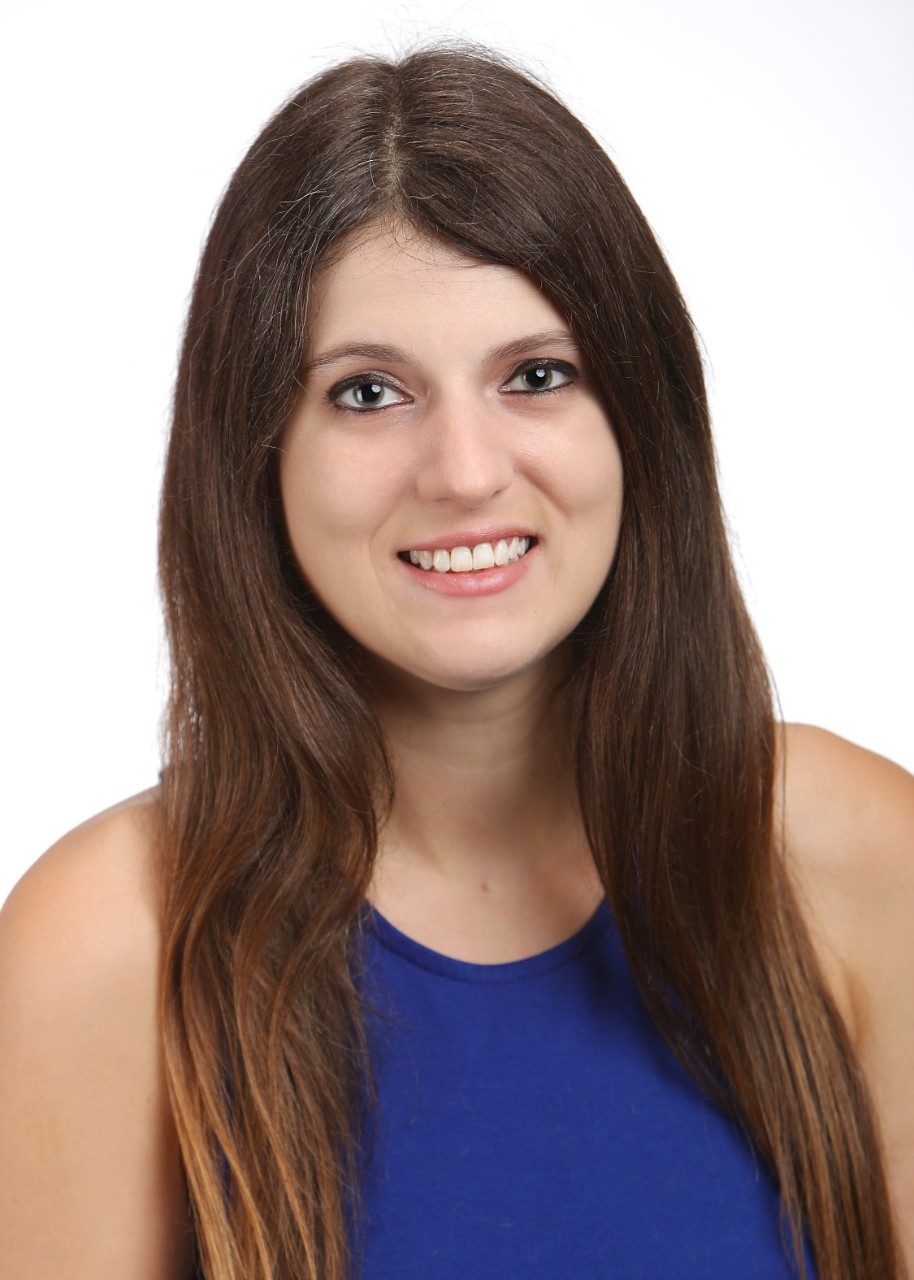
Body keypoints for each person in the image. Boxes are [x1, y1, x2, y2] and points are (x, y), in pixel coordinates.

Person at [0, 44, 911, 1280]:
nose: (466, 471)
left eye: (536, 375)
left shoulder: (847, 852)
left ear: (640, 416)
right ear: (255, 450)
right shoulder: (106, 940)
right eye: (369, 393)